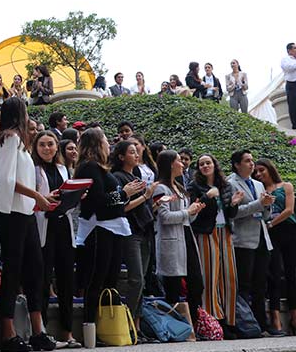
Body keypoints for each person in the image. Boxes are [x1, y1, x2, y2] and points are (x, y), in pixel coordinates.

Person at [0, 98, 56, 352]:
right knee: (14, 270)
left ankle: (37, 328)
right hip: (12, 213)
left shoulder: (18, 142)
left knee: (35, 269)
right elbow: (5, 180)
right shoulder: (10, 138)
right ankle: (8, 331)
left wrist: (39, 199)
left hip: (24, 211)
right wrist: (37, 196)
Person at [76, 127, 141, 327]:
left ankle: (107, 326)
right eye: (104, 139)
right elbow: (97, 200)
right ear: (96, 144)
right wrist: (124, 194)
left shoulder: (100, 167)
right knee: (98, 277)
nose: (108, 143)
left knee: (110, 279)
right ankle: (90, 325)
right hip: (99, 227)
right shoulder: (89, 167)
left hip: (113, 225)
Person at [188, 154, 243, 336]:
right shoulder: (194, 186)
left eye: (208, 163)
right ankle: (213, 320)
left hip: (224, 231)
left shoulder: (225, 186)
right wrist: (207, 196)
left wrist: (234, 204)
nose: (205, 166)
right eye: (201, 164)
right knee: (210, 277)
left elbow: (229, 213)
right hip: (206, 232)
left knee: (229, 277)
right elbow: (194, 210)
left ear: (214, 165)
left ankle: (229, 319)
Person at [34, 131, 80, 348]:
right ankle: (41, 329)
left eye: (50, 144)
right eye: (42, 144)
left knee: (66, 280)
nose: (47, 148)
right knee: (42, 278)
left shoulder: (63, 168)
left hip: (63, 222)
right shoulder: (33, 169)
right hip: (43, 223)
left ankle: (67, 331)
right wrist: (45, 198)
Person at [254, 158, 296, 336]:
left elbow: (289, 210)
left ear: (270, 169)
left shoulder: (286, 186)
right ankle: (275, 318)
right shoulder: (259, 190)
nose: (259, 174)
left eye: (262, 170)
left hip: (288, 231)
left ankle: (295, 317)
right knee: (274, 274)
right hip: (271, 235)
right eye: (257, 171)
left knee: (291, 274)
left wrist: (271, 223)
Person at [227, 149, 279, 335]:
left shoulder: (258, 184)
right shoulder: (230, 184)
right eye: (247, 160)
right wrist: (258, 204)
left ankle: (262, 325)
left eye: (252, 160)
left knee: (261, 284)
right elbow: (234, 213)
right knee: (244, 284)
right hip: (243, 240)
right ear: (237, 164)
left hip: (262, 237)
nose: (251, 164)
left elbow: (264, 212)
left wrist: (267, 205)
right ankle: (245, 325)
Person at [153, 150, 205, 327]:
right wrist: (187, 212)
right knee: (173, 286)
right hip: (172, 240)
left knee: (197, 282)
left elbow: (186, 217)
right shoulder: (161, 188)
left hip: (186, 236)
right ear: (170, 164)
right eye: (178, 161)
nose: (182, 164)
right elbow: (165, 217)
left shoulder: (179, 188)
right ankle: (176, 326)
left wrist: (194, 212)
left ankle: (194, 323)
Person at [111, 140, 156, 331]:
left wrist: (152, 203)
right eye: (131, 152)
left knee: (142, 279)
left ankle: (136, 325)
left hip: (144, 229)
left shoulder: (135, 174)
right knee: (136, 278)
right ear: (121, 156)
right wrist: (145, 197)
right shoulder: (117, 177)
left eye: (137, 152)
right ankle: (126, 323)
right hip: (129, 231)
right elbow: (122, 207)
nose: (136, 155)